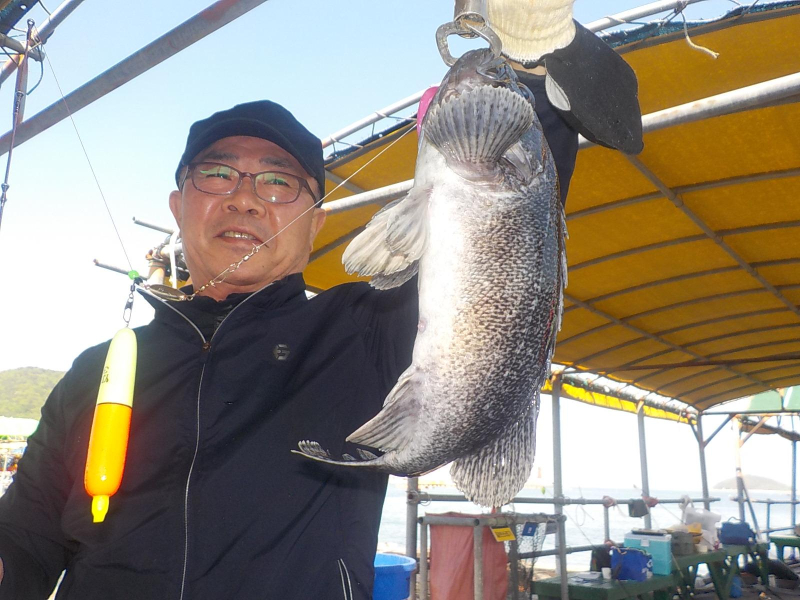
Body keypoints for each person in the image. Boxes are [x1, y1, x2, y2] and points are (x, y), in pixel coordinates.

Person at [0, 88, 579, 598]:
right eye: (217, 175)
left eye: (278, 182)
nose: (244, 199)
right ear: (178, 207)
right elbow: (26, 538)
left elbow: (510, 232)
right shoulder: (98, 371)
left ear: (315, 223)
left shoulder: (367, 331)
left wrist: (532, 79)